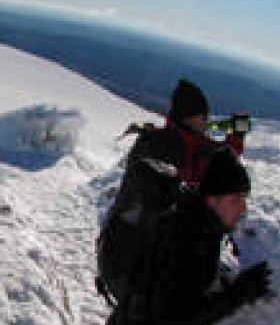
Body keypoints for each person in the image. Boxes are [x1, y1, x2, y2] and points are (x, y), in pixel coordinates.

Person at [98, 147, 272, 325]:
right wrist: (238, 294)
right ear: (212, 199)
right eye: (235, 200)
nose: (243, 209)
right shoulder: (185, 237)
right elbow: (174, 314)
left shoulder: (199, 225)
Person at [96, 79, 229, 305]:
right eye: (202, 118)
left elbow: (202, 141)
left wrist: (228, 129)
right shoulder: (176, 151)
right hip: (143, 269)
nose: (206, 123)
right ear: (189, 118)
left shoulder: (156, 138)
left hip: (119, 252)